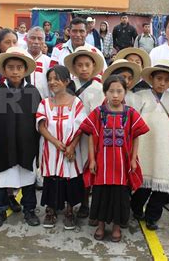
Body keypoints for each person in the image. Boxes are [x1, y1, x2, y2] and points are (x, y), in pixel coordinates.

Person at [80, 75, 149, 242]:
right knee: (100, 195)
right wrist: (92, 160)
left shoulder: (130, 113)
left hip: (122, 163)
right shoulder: (98, 112)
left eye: (119, 91)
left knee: (120, 197)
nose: (115, 95)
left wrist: (133, 159)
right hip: (102, 164)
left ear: (125, 92)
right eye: (111, 91)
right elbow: (91, 136)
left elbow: (135, 137)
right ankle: (101, 225)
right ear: (105, 93)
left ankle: (117, 227)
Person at [0, 48, 41, 228]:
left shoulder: (32, 92)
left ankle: (29, 209)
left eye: (18, 67)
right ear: (4, 70)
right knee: (3, 177)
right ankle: (0, 209)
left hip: (27, 144)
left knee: (28, 178)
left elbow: (39, 119)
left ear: (24, 70)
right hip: (3, 144)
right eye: (11, 67)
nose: (15, 71)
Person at [130, 59, 169, 230]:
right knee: (143, 184)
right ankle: (136, 209)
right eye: (159, 78)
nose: (162, 83)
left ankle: (152, 217)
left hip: (165, 147)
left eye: (166, 80)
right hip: (145, 145)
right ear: (151, 79)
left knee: (162, 187)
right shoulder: (140, 97)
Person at [36, 65, 87, 229]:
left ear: (66, 81)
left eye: (56, 79)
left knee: (69, 179)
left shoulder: (76, 103)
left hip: (70, 151)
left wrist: (72, 146)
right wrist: (57, 143)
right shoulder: (44, 103)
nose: (52, 82)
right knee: (51, 179)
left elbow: (81, 127)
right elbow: (41, 127)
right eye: (49, 79)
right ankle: (50, 210)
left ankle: (69, 211)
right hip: (50, 150)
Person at [64, 46, 105, 220]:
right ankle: (70, 203)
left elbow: (100, 114)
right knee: (72, 169)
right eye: (79, 65)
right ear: (74, 67)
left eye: (87, 65)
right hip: (71, 135)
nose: (83, 68)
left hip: (90, 136)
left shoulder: (99, 88)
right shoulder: (69, 86)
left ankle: (86, 204)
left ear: (93, 65)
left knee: (88, 168)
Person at [26, 27, 51, 99]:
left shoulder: (49, 62)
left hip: (44, 104)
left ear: (44, 42)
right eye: (33, 38)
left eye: (40, 39)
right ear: (27, 40)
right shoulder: (20, 58)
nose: (36, 42)